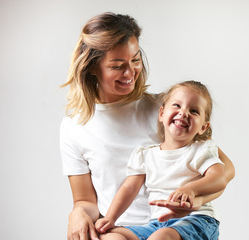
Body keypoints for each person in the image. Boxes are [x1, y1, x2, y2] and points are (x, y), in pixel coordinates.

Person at [60, 12, 235, 240]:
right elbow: (85, 200)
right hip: (128, 229)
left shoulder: (165, 110)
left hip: (177, 225)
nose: (130, 72)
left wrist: (196, 199)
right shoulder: (74, 127)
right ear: (92, 67)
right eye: (117, 65)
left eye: (135, 60)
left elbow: (226, 170)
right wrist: (78, 212)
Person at [95, 81, 225, 240]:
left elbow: (219, 177)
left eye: (194, 111)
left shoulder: (201, 149)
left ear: (203, 127)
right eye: (177, 105)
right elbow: (129, 188)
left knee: (161, 237)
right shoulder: (145, 154)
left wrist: (192, 189)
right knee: (111, 236)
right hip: (156, 223)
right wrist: (111, 217)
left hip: (197, 220)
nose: (183, 113)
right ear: (161, 113)